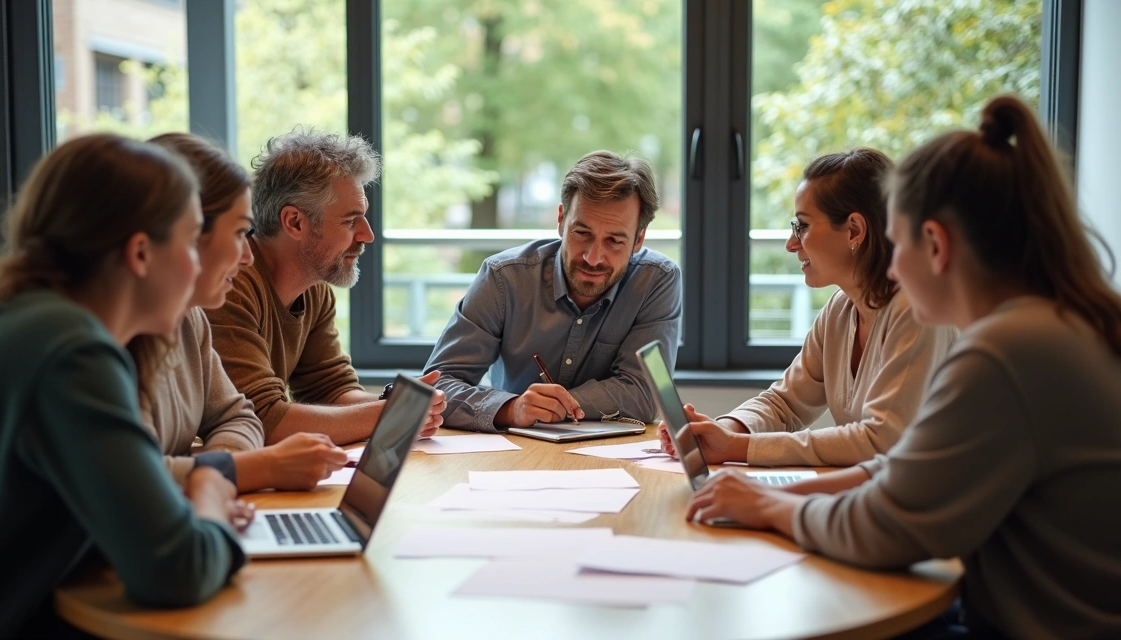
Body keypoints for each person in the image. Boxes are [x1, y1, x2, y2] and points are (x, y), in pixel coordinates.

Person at [686, 96, 1121, 638]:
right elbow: (906, 472)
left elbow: (885, 526)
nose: (891, 266)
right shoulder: (1044, 327)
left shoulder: (1005, 351)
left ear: (935, 245)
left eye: (898, 243)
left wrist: (771, 508)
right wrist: (771, 490)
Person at [0, 134, 249, 638]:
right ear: (140, 253)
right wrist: (209, 493)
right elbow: (176, 570)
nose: (198, 264)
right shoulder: (69, 351)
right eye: (191, 239)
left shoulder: (19, 319)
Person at [658, 148, 955, 466]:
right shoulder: (842, 307)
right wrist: (721, 430)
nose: (791, 243)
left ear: (855, 229)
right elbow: (785, 403)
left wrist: (737, 447)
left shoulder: (916, 311)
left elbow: (880, 440)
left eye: (803, 226)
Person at [204, 128, 446, 446]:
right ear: (294, 222)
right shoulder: (227, 287)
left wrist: (404, 407)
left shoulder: (313, 287)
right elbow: (264, 419)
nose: (367, 235)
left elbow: (331, 390)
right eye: (350, 221)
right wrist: (394, 414)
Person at [141, 133, 348, 492]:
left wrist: (220, 480)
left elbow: (238, 417)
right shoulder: (83, 344)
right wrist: (251, 471)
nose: (247, 255)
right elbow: (129, 480)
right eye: (239, 233)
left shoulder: (189, 320)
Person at [424, 150, 682, 432]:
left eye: (615, 241)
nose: (593, 258)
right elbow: (437, 386)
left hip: (616, 454)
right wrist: (514, 408)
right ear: (561, 220)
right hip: (516, 453)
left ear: (638, 239)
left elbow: (647, 394)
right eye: (582, 233)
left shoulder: (657, 281)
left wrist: (559, 405)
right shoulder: (503, 278)